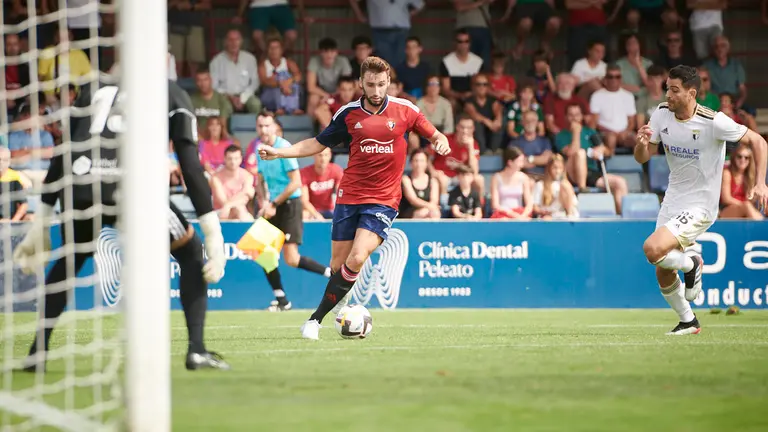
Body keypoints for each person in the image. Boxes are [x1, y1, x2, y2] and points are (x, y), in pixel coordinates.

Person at [13, 79, 230, 371]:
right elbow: (189, 164)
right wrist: (212, 230)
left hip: (83, 185)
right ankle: (197, 351)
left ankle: (36, 354)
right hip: (134, 189)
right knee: (191, 253)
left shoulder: (92, 89)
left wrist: (44, 218)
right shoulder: (169, 90)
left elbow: (63, 151)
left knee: (71, 258)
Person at [258, 56, 450, 340]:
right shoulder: (348, 114)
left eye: (382, 85)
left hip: (384, 199)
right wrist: (280, 152)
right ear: (361, 83)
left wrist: (439, 140)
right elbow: (317, 143)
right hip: (350, 195)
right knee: (338, 265)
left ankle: (315, 319)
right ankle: (342, 308)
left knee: (358, 257)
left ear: (389, 83)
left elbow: (434, 134)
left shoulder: (405, 110)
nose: (376, 91)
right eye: (370, 84)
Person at [635, 65, 768, 336]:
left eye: (674, 90)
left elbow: (758, 141)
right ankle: (688, 321)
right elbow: (643, 157)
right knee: (661, 268)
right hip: (672, 200)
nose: (668, 95)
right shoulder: (661, 113)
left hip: (701, 206)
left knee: (652, 249)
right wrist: (641, 143)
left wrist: (760, 181)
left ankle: (691, 263)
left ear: (691, 93)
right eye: (667, 89)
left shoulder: (714, 121)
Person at [253, 111, 332, 311]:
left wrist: (274, 204)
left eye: (267, 126)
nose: (263, 130)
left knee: (291, 258)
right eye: (260, 126)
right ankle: (282, 300)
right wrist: (264, 201)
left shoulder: (283, 148)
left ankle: (332, 276)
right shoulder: (259, 149)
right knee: (262, 251)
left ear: (274, 127)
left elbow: (295, 182)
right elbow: (260, 179)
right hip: (273, 206)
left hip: (290, 204)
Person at [720, 143, 764, 220]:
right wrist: (744, 205)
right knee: (747, 207)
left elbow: (750, 200)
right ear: (734, 157)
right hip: (727, 210)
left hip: (746, 211)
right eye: (739, 157)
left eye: (746, 157)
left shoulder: (750, 176)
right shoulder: (727, 173)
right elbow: (726, 199)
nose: (742, 160)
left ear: (750, 160)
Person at [489, 146, 533, 220]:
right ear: (510, 162)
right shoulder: (496, 177)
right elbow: (495, 205)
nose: (522, 164)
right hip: (502, 213)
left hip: (520, 212)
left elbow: (529, 203)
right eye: (519, 161)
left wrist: (523, 215)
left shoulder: (524, 177)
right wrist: (511, 214)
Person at [300, 147, 344, 220]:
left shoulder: (336, 170)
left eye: (326, 155)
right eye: (320, 155)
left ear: (330, 156)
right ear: (314, 155)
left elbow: (341, 193)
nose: (323, 159)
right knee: (303, 215)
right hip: (311, 210)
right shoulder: (304, 172)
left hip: (329, 210)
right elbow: (304, 200)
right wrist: (316, 215)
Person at [532, 154, 578, 219]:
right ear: (549, 168)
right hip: (547, 216)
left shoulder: (566, 185)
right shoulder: (540, 185)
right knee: (547, 219)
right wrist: (543, 212)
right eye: (555, 168)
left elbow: (574, 203)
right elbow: (535, 207)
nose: (557, 171)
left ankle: (569, 218)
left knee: (564, 185)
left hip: (562, 215)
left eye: (560, 168)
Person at [399, 149, 440, 219]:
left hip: (429, 211)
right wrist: (430, 207)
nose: (419, 164)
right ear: (411, 163)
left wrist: (430, 208)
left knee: (435, 213)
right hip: (409, 212)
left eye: (422, 161)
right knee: (424, 213)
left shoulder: (433, 181)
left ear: (426, 163)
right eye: (416, 161)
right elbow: (413, 200)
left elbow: (434, 200)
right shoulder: (406, 179)